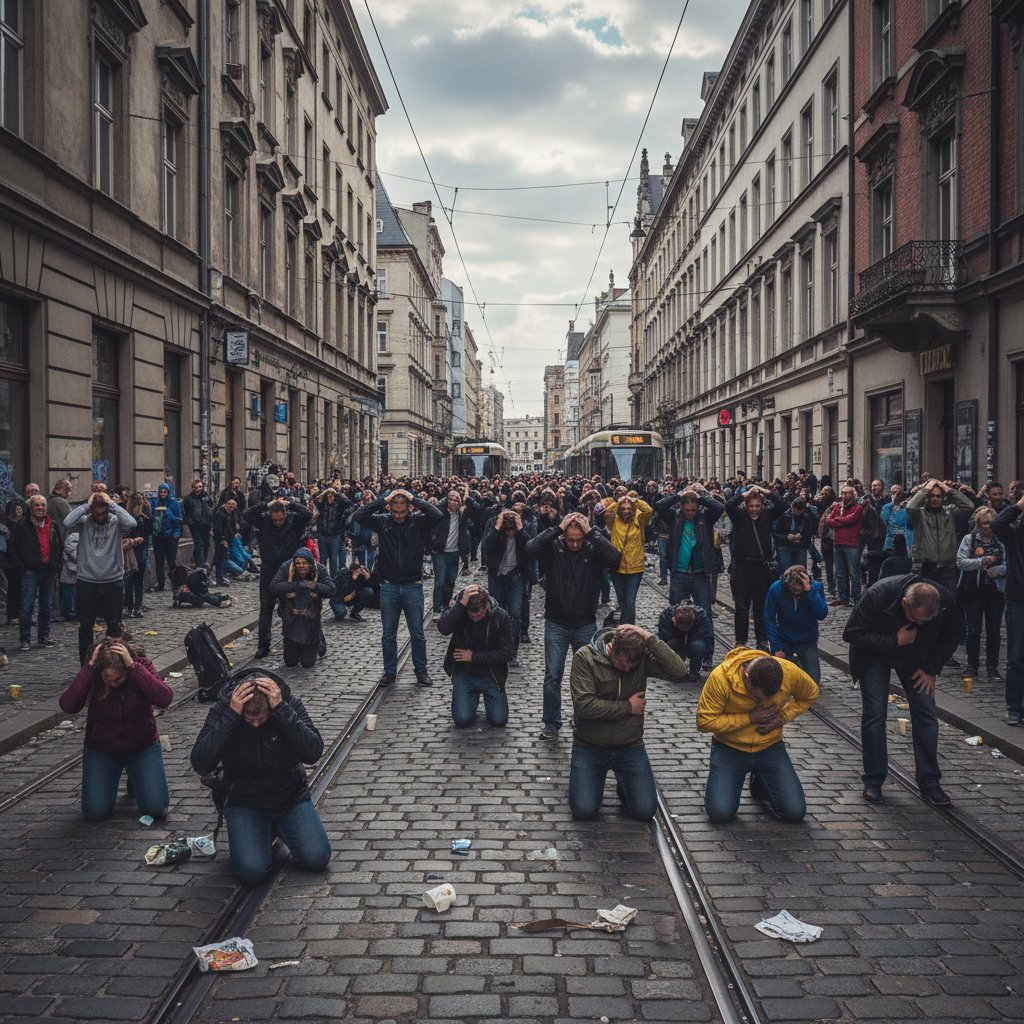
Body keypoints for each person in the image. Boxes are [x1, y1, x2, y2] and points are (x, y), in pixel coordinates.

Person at [190, 671, 331, 885]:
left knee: (317, 858)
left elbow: (313, 751)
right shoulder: (224, 710)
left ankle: (276, 826)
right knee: (251, 871)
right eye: (250, 720)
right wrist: (231, 716)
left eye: (261, 719)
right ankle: (258, 830)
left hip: (288, 796)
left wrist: (283, 711)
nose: (256, 724)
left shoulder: (287, 704)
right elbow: (201, 762)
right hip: (244, 799)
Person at [843, 575, 960, 806]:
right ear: (905, 603)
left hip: (917, 658)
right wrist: (895, 640)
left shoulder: (944, 601)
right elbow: (852, 633)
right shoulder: (879, 594)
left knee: (926, 713)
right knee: (875, 714)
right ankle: (873, 781)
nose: (921, 624)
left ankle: (930, 783)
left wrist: (931, 669)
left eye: (927, 621)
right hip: (874, 654)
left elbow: (952, 635)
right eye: (916, 619)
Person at [568, 624, 685, 821]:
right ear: (611, 648)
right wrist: (628, 707)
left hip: (629, 746)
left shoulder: (640, 659)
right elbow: (584, 706)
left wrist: (649, 638)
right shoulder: (585, 657)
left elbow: (678, 671)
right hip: (590, 746)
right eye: (623, 664)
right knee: (584, 811)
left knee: (645, 811)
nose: (628, 669)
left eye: (633, 666)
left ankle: (626, 782)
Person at [527, 511, 622, 740]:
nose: (575, 544)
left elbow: (614, 558)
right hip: (556, 621)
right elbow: (530, 548)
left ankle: (587, 720)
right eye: (570, 539)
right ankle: (551, 723)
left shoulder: (592, 548)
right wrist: (558, 528)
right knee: (553, 675)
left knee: (592, 675)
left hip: (585, 622)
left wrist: (591, 533)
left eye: (579, 539)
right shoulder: (554, 548)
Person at [697, 649, 819, 823]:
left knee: (794, 812)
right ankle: (751, 778)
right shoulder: (720, 678)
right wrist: (750, 718)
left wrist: (782, 717)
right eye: (757, 696)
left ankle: (761, 782)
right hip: (730, 749)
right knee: (720, 813)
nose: (763, 701)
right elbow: (704, 721)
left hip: (770, 748)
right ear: (746, 677)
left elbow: (811, 693)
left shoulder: (788, 671)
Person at [59, 638, 172, 821]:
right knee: (95, 812)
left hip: (141, 746)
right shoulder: (93, 674)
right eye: (108, 680)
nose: (113, 683)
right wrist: (88, 669)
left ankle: (136, 777)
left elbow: (164, 698)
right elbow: (68, 705)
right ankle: (129, 775)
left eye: (117, 678)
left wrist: (134, 668)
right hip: (103, 748)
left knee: (156, 809)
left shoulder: (141, 665)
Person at [351, 488, 443, 687]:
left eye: (403, 511)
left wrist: (415, 499)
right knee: (388, 634)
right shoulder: (383, 522)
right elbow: (359, 515)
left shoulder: (417, 522)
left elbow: (437, 514)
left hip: (412, 585)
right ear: (389, 509)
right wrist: (383, 499)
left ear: (409, 509)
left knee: (417, 633)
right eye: (395, 511)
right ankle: (390, 672)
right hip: (389, 586)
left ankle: (421, 671)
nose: (399, 515)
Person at [64, 491, 137, 664]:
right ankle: (86, 665)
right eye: (96, 511)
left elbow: (132, 522)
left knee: (114, 626)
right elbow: (67, 522)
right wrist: (86, 506)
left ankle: (112, 663)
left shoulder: (116, 521)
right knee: (86, 627)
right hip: (87, 580)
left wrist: (111, 504)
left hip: (112, 580)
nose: (99, 515)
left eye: (103, 511)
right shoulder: (84, 521)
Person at [243, 497, 313, 658]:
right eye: (275, 519)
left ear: (285, 514)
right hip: (268, 569)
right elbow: (247, 515)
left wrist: (290, 503)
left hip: (289, 570)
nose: (278, 522)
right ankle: (263, 646)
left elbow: (308, 514)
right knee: (266, 608)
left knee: (293, 608)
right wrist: (265, 505)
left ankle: (297, 642)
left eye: (280, 519)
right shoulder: (264, 521)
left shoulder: (294, 520)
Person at [437, 583, 514, 728]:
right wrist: (460, 605)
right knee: (462, 720)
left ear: (487, 607)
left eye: (480, 615)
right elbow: (443, 628)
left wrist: (473, 656)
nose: (475, 619)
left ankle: (482, 698)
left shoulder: (500, 616)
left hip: (491, 675)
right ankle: (469, 698)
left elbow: (507, 653)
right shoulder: (461, 612)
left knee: (498, 720)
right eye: (472, 616)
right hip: (465, 674)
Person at [726, 484, 782, 650]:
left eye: (757, 506)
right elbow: (728, 505)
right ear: (746, 505)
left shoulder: (768, 515)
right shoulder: (739, 516)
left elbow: (782, 505)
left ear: (762, 505)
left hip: (761, 568)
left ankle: (762, 640)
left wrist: (766, 492)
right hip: (741, 566)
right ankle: (740, 640)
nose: (754, 509)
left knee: (761, 606)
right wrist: (745, 494)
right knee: (741, 607)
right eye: (751, 506)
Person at [655, 484, 723, 621]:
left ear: (698, 508)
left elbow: (719, 507)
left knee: (705, 614)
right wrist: (679, 495)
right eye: (686, 510)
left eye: (693, 510)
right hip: (679, 574)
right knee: (675, 612)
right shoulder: (674, 517)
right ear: (681, 507)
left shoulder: (705, 518)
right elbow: (659, 505)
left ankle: (706, 641)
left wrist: (700, 497)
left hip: (700, 574)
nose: (690, 513)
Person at [956, 506, 1006, 681]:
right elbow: (961, 562)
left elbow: (1010, 563)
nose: (988, 526)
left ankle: (992, 668)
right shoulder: (969, 540)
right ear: (978, 524)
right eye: (985, 523)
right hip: (973, 589)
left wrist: (998, 570)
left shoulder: (1001, 540)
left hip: (995, 590)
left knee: (993, 630)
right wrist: (982, 561)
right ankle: (972, 666)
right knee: (973, 629)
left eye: (991, 523)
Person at [9, 494, 62, 651]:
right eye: (37, 505)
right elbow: (12, 550)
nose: (40, 508)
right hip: (30, 571)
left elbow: (59, 546)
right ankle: (25, 638)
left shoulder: (53, 525)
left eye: (43, 505)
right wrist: (22, 568)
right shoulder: (21, 526)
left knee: (47, 606)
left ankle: (43, 636)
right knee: (26, 606)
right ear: (30, 508)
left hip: (48, 571)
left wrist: (57, 565)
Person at [907, 478, 975, 594]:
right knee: (926, 606)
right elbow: (910, 507)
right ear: (927, 497)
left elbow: (969, 506)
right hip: (925, 567)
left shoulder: (950, 512)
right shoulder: (920, 513)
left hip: (947, 568)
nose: (935, 499)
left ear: (943, 498)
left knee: (948, 605)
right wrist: (926, 488)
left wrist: (947, 488)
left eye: (938, 496)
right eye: (932, 496)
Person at [270, 547, 335, 668]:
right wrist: (296, 585)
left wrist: (311, 584)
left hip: (311, 619)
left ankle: (318, 640)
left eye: (304, 563)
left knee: (307, 663)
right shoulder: (286, 567)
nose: (301, 566)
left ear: (310, 564)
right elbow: (274, 586)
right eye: (298, 563)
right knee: (290, 662)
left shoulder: (320, 569)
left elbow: (331, 590)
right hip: (290, 617)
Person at [763, 564, 828, 684]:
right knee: (778, 680)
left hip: (807, 640)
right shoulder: (777, 588)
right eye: (793, 590)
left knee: (813, 682)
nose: (796, 593)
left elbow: (822, 614)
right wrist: (776, 646)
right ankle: (793, 663)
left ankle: (798, 665)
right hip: (785, 639)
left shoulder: (815, 588)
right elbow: (769, 618)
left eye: (799, 591)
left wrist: (809, 593)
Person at [483, 507, 531, 661]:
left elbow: (531, 546)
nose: (510, 533)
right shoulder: (493, 525)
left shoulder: (522, 529)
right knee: (498, 611)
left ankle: (511, 652)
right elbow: (486, 548)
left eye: (513, 530)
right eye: (507, 530)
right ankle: (498, 648)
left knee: (515, 613)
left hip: (516, 575)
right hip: (497, 574)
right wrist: (497, 528)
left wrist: (520, 529)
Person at [995, 493, 1024, 724]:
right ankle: (1014, 706)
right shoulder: (1015, 537)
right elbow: (997, 523)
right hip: (1018, 600)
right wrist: (1020, 504)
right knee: (1016, 656)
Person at [603, 493, 653, 626]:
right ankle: (624, 628)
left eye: (629, 508)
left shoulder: (639, 520)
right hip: (617, 567)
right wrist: (618, 502)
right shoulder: (614, 522)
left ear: (634, 509)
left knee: (630, 602)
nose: (626, 511)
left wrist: (635, 500)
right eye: (623, 509)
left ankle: (629, 629)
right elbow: (607, 513)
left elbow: (649, 510)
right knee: (622, 601)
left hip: (635, 567)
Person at [431, 488, 470, 619]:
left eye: (456, 500)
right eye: (450, 499)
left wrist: (465, 553)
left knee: (451, 581)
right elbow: (435, 508)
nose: (453, 502)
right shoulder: (440, 513)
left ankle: (445, 606)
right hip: (440, 552)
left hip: (455, 552)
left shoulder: (461, 514)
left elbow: (477, 508)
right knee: (440, 581)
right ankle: (437, 608)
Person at [657, 600, 713, 683]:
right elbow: (664, 639)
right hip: (676, 640)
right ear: (674, 620)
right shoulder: (666, 616)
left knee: (698, 645)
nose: (686, 630)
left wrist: (707, 657)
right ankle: (674, 668)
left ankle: (694, 672)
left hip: (693, 640)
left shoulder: (701, 615)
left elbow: (706, 637)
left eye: (688, 627)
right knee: (671, 644)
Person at [149, 484, 183, 591]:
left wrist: (168, 513)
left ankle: (175, 584)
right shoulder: (154, 502)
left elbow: (179, 520)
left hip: (171, 536)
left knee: (171, 561)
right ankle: (160, 584)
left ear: (168, 492)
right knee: (159, 561)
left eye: (165, 492)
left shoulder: (174, 504)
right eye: (161, 492)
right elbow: (150, 517)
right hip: (158, 536)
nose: (163, 494)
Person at [124, 492, 152, 619]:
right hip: (140, 550)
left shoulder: (128, 517)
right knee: (138, 581)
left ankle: (131, 608)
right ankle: (137, 608)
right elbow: (150, 533)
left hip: (131, 550)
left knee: (130, 580)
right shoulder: (145, 517)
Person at [182, 479, 214, 570]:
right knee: (199, 544)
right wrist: (190, 522)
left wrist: (211, 523)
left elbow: (211, 508)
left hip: (206, 524)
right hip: (195, 525)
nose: (198, 489)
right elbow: (185, 512)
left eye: (200, 487)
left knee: (206, 544)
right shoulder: (188, 498)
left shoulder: (206, 497)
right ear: (193, 488)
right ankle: (200, 566)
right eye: (196, 487)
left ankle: (201, 561)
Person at [212, 497, 239, 586]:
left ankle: (221, 577)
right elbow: (218, 528)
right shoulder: (220, 514)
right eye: (229, 505)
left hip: (227, 539)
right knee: (220, 559)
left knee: (223, 559)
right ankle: (219, 578)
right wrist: (222, 539)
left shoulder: (229, 514)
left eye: (233, 506)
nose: (231, 507)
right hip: (221, 540)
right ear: (226, 504)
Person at [60, 530, 79, 622]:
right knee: (70, 595)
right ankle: (70, 614)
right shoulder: (75, 536)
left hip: (75, 572)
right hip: (72, 572)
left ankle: (72, 613)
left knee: (73, 594)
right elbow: (73, 553)